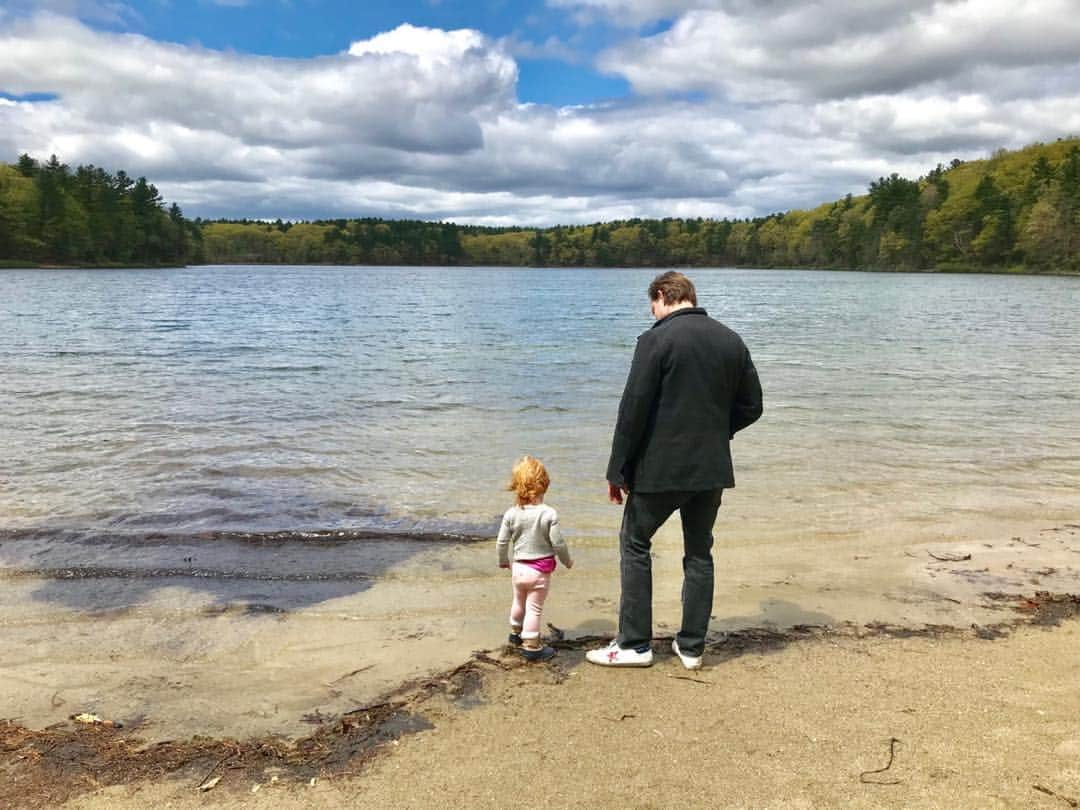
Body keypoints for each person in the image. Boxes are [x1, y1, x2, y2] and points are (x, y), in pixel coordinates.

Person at [586, 271, 762, 670]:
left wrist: (617, 470)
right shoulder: (730, 340)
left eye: (653, 306)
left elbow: (633, 410)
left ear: (664, 296)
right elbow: (752, 406)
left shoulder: (656, 339)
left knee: (634, 542)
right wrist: (717, 433)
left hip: (660, 469)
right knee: (699, 552)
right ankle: (692, 647)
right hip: (711, 469)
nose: (653, 313)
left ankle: (634, 643)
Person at [497, 455, 573, 661]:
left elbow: (502, 542)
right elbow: (558, 544)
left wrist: (503, 560)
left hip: (519, 568)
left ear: (516, 485)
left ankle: (515, 634)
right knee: (534, 607)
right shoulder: (548, 513)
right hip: (539, 571)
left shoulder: (511, 513)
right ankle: (531, 646)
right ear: (544, 484)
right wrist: (567, 561)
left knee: (518, 600)